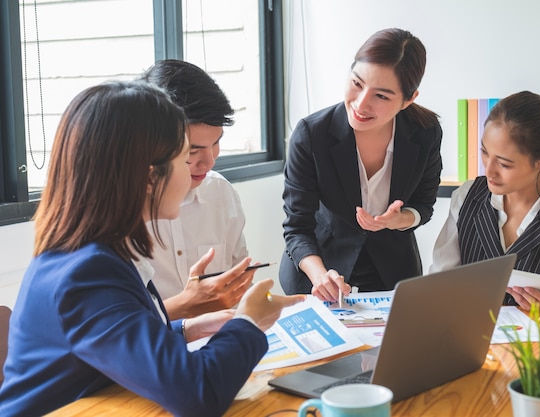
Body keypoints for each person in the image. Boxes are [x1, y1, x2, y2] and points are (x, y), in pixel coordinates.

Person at [0, 81, 304, 417]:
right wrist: (248, 321)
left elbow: (115, 341)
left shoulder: (92, 251)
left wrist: (188, 328)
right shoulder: (88, 272)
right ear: (148, 177)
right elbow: (196, 395)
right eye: (182, 158)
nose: (193, 174)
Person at [280, 28, 443, 302]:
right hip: (319, 271)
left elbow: (424, 205)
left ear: (409, 99)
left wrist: (398, 220)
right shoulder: (311, 135)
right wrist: (321, 277)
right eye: (357, 83)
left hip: (392, 275)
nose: (360, 103)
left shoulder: (424, 133)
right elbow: (297, 227)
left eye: (381, 96)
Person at [430, 90, 540, 312]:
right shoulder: (467, 198)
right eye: (484, 152)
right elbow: (438, 286)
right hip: (466, 343)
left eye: (504, 164)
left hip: (539, 346)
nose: (489, 170)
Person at [141, 59, 251, 320]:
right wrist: (184, 305)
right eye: (192, 151)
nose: (210, 161)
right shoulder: (123, 218)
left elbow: (241, 284)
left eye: (216, 143)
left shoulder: (220, 193)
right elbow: (120, 331)